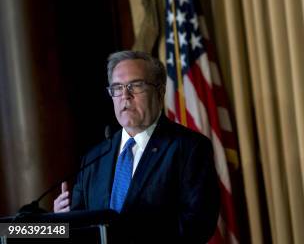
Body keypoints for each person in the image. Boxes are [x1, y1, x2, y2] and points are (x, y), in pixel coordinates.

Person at [53, 50, 220, 242]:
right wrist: (62, 220)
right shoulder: (94, 158)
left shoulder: (189, 148)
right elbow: (79, 228)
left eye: (136, 85)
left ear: (160, 90)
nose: (125, 95)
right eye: (117, 87)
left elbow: (197, 225)